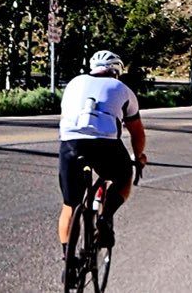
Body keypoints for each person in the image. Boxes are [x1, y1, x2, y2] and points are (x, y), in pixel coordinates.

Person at [57, 50, 147, 254]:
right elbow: (137, 132)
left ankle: (68, 262)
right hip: (105, 146)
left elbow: (64, 117)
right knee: (123, 178)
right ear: (116, 71)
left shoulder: (73, 83)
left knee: (70, 205)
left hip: (71, 144)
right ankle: (105, 217)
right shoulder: (122, 89)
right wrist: (138, 157)